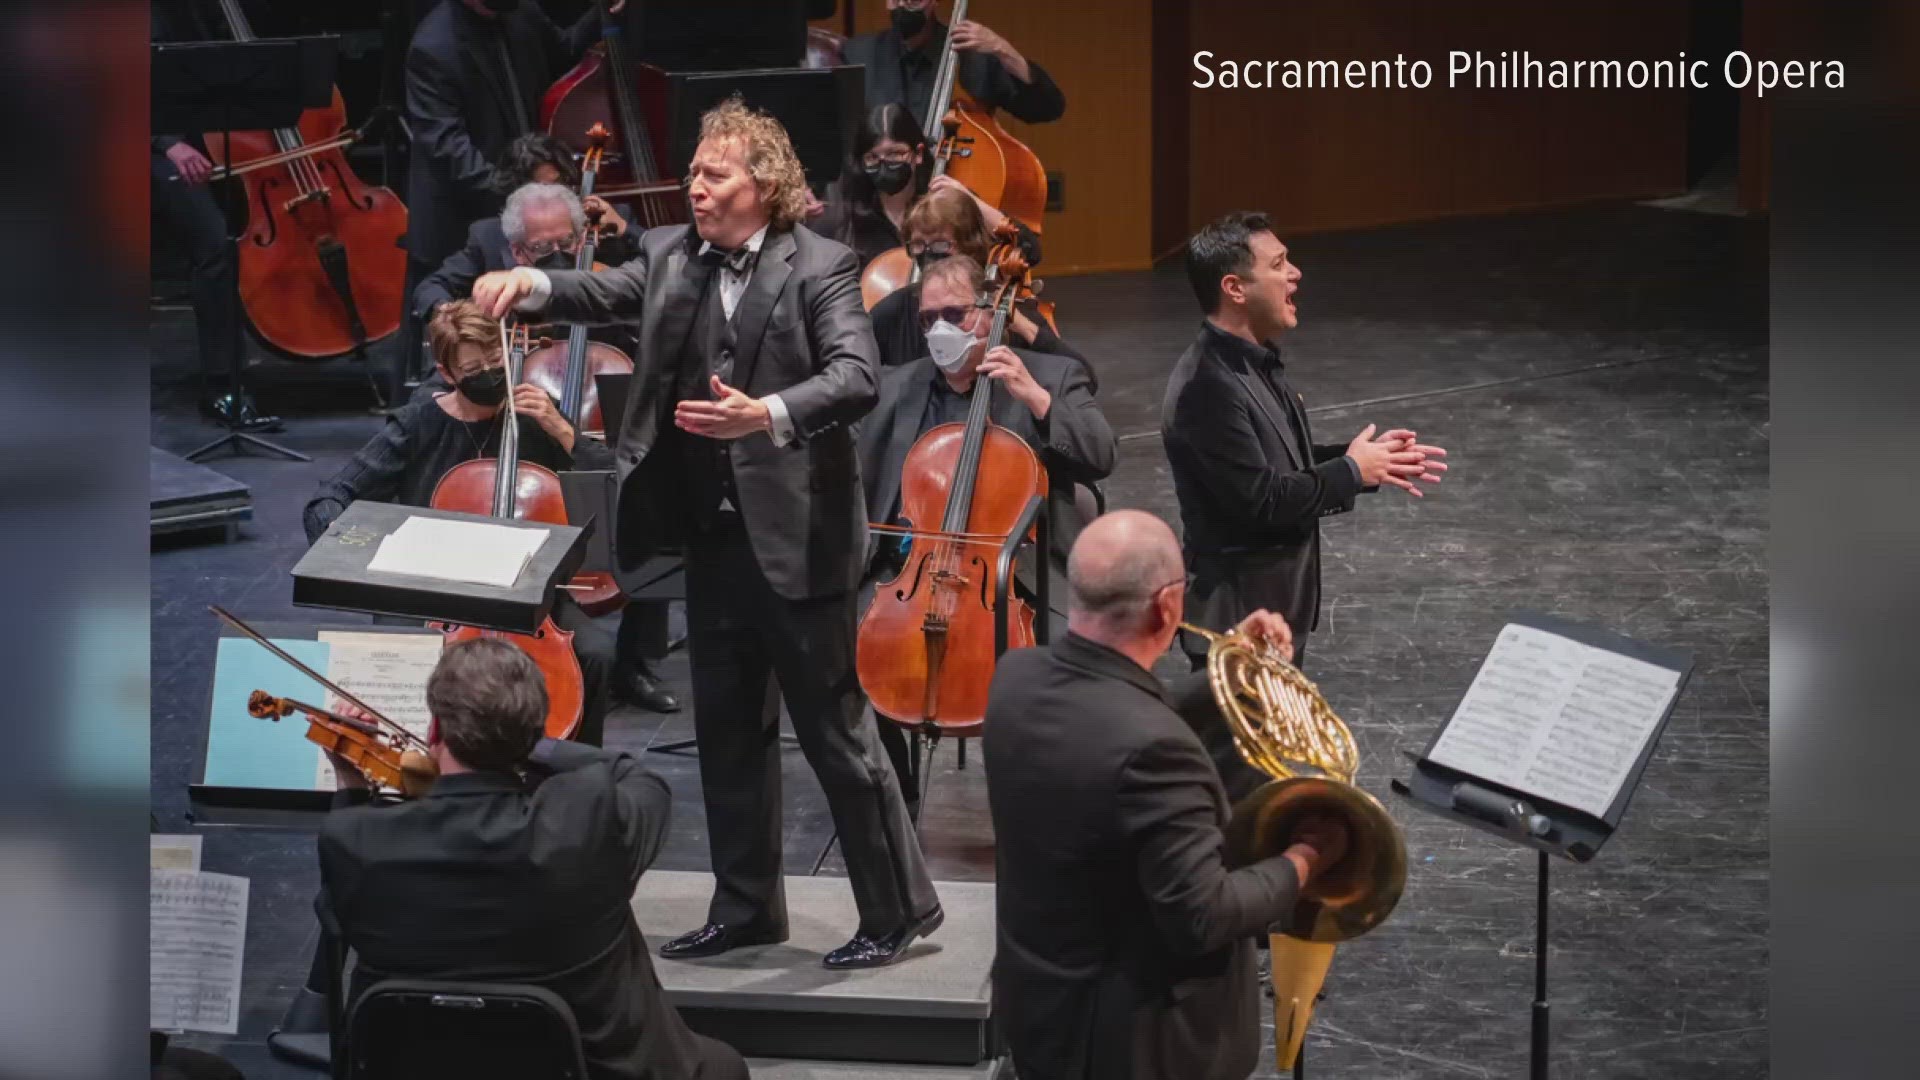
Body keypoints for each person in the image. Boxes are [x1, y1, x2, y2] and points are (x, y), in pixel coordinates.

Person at [473, 96, 940, 970]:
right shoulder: (670, 255)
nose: (694, 186)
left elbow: (854, 378)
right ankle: (749, 907)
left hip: (801, 542)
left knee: (838, 738)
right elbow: (600, 288)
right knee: (727, 733)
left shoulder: (823, 265)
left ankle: (898, 908)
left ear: (762, 183)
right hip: (714, 542)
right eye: (691, 171)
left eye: (713, 173)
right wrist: (529, 282)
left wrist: (764, 414)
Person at [983, 509, 1350, 1080]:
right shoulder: (1157, 754)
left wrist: (1232, 674)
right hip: (1135, 1047)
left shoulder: (1015, 679)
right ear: (1168, 608)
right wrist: (1304, 861)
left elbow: (1113, 724)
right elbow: (1205, 915)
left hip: (1039, 1013)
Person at [319, 637, 748, 1080]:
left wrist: (350, 784)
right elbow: (634, 776)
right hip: (585, 1068)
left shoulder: (355, 840)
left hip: (417, 1068)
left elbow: (342, 893)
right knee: (723, 1066)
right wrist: (531, 744)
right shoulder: (590, 823)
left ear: (433, 732)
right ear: (533, 728)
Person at [858, 254, 1114, 812]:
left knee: (1047, 679)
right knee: (843, 656)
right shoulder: (894, 386)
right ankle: (893, 805)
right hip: (909, 570)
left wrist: (1035, 399)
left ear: (990, 310)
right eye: (928, 319)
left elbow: (1100, 455)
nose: (940, 329)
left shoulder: (1050, 375)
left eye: (955, 313)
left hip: (1018, 571)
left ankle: (1034, 807)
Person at [301, 299, 620, 748]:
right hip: (432, 592)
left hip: (522, 588)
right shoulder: (418, 424)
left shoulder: (535, 414)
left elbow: (611, 480)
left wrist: (561, 430)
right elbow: (330, 497)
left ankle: (576, 778)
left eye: (496, 362)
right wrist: (359, 557)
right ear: (447, 373)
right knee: (398, 656)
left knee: (597, 652)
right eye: (473, 368)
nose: (489, 374)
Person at [1162, 211, 1448, 671]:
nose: (1295, 274)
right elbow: (1261, 501)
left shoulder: (1255, 361)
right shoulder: (1206, 388)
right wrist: (1351, 472)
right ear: (1235, 288)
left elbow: (1278, 465)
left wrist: (1365, 462)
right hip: (1238, 627)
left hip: (1273, 617)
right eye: (1278, 265)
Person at [868, 187, 1091, 385]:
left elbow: (1083, 379)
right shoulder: (892, 312)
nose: (927, 254)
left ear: (969, 245)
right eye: (918, 244)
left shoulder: (1000, 306)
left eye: (939, 243)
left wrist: (1023, 326)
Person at [844, 0, 1065, 135]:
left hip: (956, 192)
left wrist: (1003, 50)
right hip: (877, 200)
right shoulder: (858, 54)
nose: (902, 5)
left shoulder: (974, 55)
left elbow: (1046, 109)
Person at [807, 103, 931, 269]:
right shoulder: (842, 211)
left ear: (919, 154)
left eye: (894, 153)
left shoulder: (942, 205)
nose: (884, 164)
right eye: (872, 157)